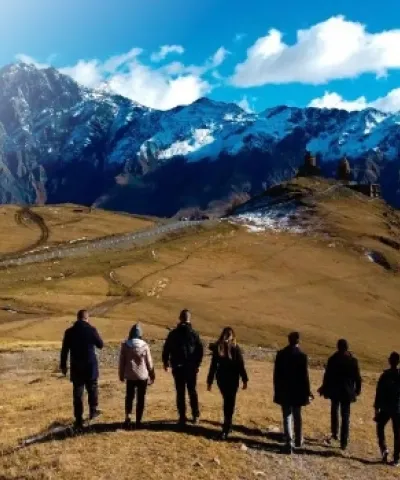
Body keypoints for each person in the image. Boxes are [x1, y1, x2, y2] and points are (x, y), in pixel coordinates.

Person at [60, 309, 104, 428]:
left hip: (76, 366)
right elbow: (100, 345)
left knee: (78, 393)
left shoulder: (69, 332)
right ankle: (93, 411)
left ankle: (78, 419)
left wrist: (63, 366)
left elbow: (64, 350)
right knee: (92, 389)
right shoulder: (91, 329)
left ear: (77, 318)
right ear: (87, 318)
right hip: (90, 366)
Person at [318, 339, 362, 451]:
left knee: (334, 411)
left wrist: (324, 388)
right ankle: (344, 441)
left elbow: (327, 376)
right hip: (347, 392)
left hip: (335, 391)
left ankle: (335, 433)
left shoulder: (333, 359)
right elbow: (358, 378)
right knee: (345, 416)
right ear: (347, 347)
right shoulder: (352, 361)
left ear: (338, 347)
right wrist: (357, 391)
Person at [162, 309, 204, 426]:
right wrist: (197, 364)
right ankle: (195, 415)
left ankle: (182, 417)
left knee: (181, 392)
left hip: (178, 367)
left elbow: (166, 349)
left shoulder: (174, 334)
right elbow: (200, 350)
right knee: (192, 391)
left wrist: (165, 362)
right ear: (189, 319)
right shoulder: (194, 333)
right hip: (190, 367)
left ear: (180, 318)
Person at [273, 332, 312, 453]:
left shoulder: (281, 354)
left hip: (284, 389)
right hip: (297, 391)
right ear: (298, 341)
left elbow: (276, 375)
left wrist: (277, 389)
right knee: (297, 414)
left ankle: (289, 441)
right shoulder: (302, 356)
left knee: (287, 415)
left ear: (288, 340)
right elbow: (305, 377)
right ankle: (298, 439)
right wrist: (308, 392)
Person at [207, 327, 248, 440]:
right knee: (229, 402)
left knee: (228, 402)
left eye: (228, 335)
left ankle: (227, 426)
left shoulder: (227, 348)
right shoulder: (227, 348)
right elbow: (240, 366)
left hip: (227, 379)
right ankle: (227, 426)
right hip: (227, 380)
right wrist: (245, 380)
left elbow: (240, 365)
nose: (228, 337)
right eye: (228, 334)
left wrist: (245, 379)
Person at [119, 323, 155, 428]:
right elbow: (149, 362)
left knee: (129, 397)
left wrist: (121, 374)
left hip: (130, 376)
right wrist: (152, 374)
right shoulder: (144, 346)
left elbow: (122, 362)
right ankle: (139, 420)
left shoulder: (125, 345)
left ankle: (128, 417)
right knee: (141, 398)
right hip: (142, 376)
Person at [374, 352, 400, 466]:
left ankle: (384, 448)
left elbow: (378, 393)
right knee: (397, 433)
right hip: (397, 408)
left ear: (389, 361)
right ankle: (396, 459)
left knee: (380, 426)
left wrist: (376, 408)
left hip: (385, 407)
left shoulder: (385, 375)